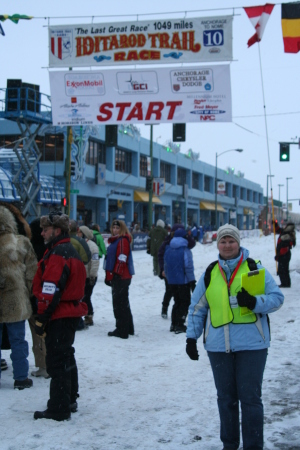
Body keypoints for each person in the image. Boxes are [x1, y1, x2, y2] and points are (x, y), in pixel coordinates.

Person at [186, 223, 284, 450]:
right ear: (217, 244)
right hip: (218, 348)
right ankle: (229, 445)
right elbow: (197, 308)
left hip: (252, 346)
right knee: (226, 400)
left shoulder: (253, 268)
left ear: (239, 243)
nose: (227, 245)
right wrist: (191, 338)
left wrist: (255, 302)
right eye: (223, 241)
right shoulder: (210, 273)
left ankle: (253, 446)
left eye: (231, 241)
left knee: (250, 400)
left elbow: (277, 298)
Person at [32, 211, 87, 421]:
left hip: (60, 314)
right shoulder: (69, 250)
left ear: (57, 230)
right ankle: (69, 398)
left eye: (45, 230)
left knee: (56, 360)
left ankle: (59, 407)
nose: (42, 233)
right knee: (66, 355)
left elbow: (50, 289)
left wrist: (41, 317)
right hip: (70, 312)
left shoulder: (58, 253)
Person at [0, 205, 37, 390]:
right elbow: (32, 272)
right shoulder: (20, 242)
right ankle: (21, 378)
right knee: (18, 340)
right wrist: (29, 293)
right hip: (16, 299)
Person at [158, 224, 195, 320]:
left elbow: (192, 244)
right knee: (170, 292)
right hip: (170, 273)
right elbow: (161, 255)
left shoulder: (184, 242)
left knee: (177, 298)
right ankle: (165, 309)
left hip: (175, 273)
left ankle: (176, 320)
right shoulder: (167, 242)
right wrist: (163, 269)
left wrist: (186, 236)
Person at [104, 219, 135, 339]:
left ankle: (122, 329)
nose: (115, 230)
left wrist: (116, 273)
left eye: (117, 228)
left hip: (121, 277)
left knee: (119, 304)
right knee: (123, 303)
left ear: (122, 229)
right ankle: (128, 328)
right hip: (121, 276)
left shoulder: (122, 241)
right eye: (113, 228)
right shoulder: (117, 240)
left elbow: (122, 258)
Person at [29, 218, 49, 379]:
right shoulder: (50, 248)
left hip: (36, 298)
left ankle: (43, 365)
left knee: (37, 332)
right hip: (48, 298)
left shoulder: (33, 249)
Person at [78, 226, 100, 326]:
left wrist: (92, 275)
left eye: (79, 232)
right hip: (83, 276)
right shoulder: (81, 244)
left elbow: (95, 262)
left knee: (86, 297)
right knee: (84, 296)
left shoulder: (92, 246)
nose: (77, 234)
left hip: (89, 276)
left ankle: (89, 316)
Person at [274, 221, 296, 287]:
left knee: (282, 270)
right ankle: (286, 283)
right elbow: (278, 230)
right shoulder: (286, 232)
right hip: (284, 255)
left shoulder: (288, 235)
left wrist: (279, 255)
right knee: (284, 269)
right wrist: (275, 224)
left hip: (284, 255)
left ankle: (285, 283)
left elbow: (285, 248)